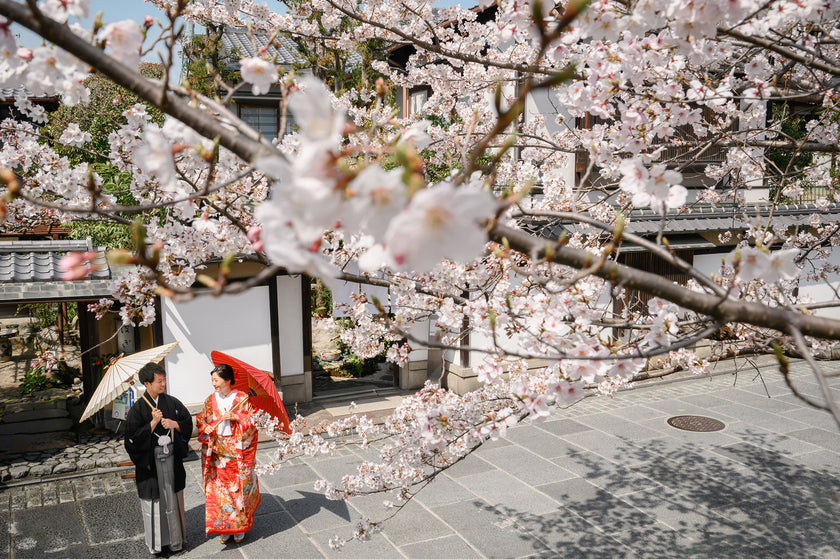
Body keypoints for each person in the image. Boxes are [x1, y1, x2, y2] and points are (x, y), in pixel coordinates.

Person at [124, 362, 193, 555]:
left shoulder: (171, 402)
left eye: (164, 380)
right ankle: (156, 544)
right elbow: (131, 440)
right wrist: (152, 423)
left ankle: (176, 541)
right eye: (159, 381)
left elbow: (187, 422)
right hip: (150, 462)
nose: (163, 384)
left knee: (173, 498)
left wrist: (175, 424)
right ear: (147, 383)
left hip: (171, 458)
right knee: (154, 501)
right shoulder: (138, 409)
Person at [196, 363, 261, 543]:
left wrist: (237, 417)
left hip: (237, 451)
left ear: (228, 379)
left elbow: (254, 419)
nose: (213, 383)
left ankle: (239, 526)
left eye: (216, 380)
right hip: (217, 450)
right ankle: (225, 525)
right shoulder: (210, 399)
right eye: (212, 380)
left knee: (238, 489)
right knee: (220, 490)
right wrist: (206, 426)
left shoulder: (241, 397)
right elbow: (201, 419)